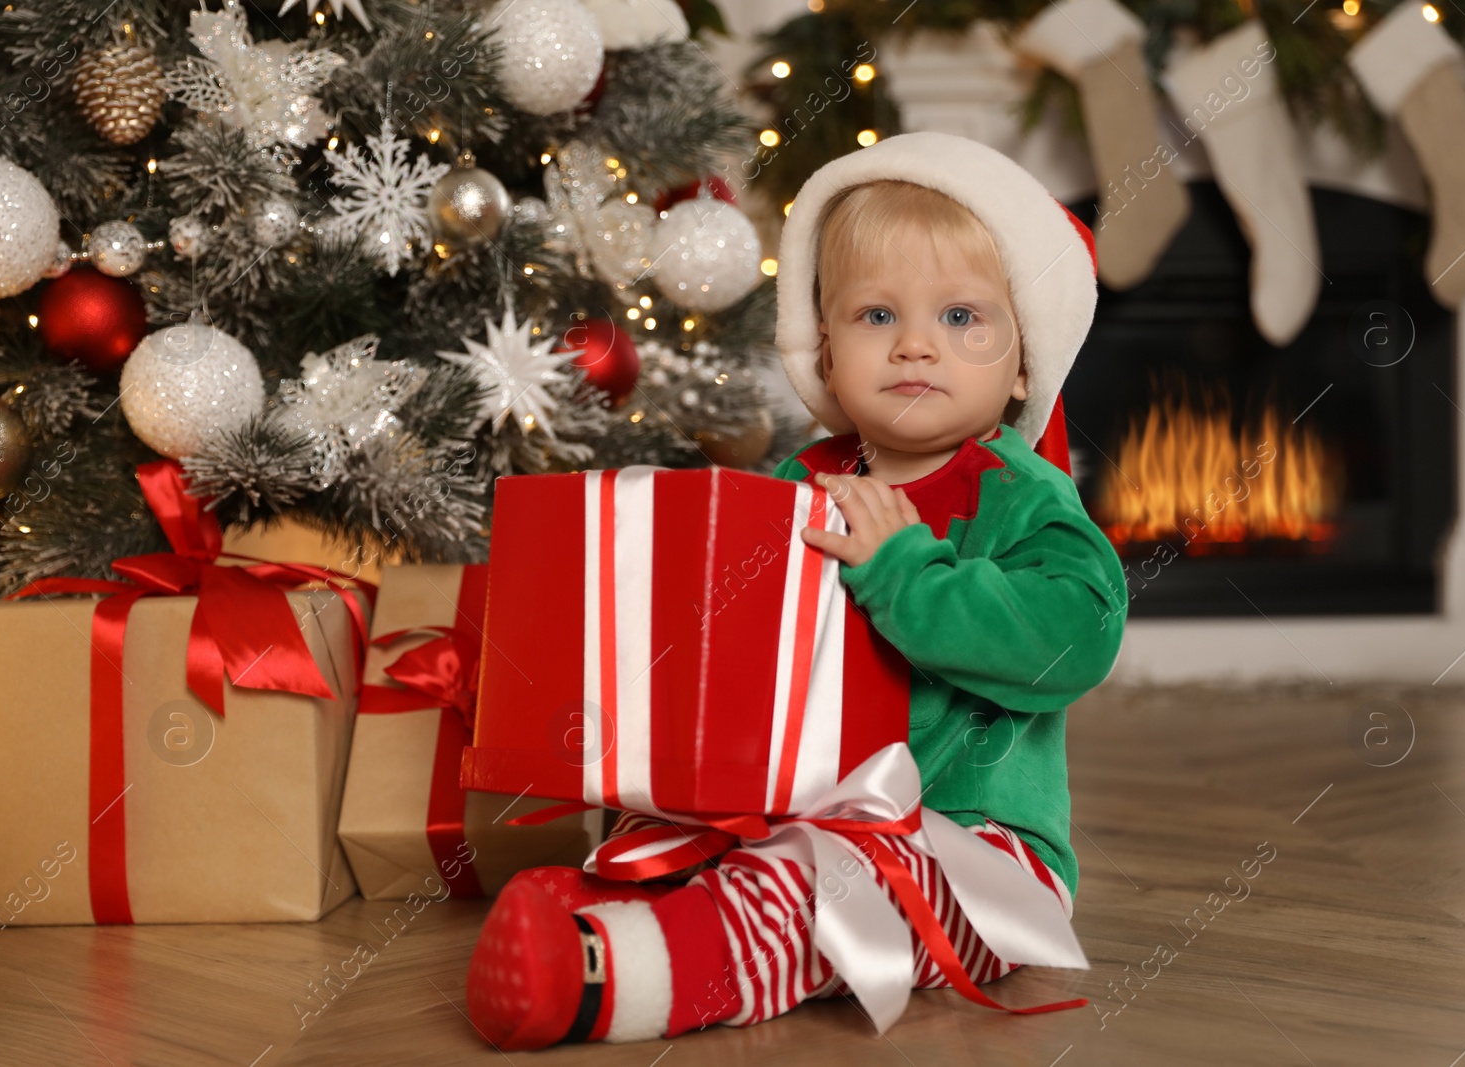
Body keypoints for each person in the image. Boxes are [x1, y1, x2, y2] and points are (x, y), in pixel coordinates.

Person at [464, 130, 1129, 1050]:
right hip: (785, 805)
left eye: (963, 318)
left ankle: (626, 977)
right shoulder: (793, 485)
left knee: (838, 888)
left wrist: (906, 572)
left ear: (1022, 364)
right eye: (877, 317)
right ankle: (604, 909)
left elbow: (1072, 638)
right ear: (825, 349)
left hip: (973, 843)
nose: (917, 347)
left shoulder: (1021, 500)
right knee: (674, 830)